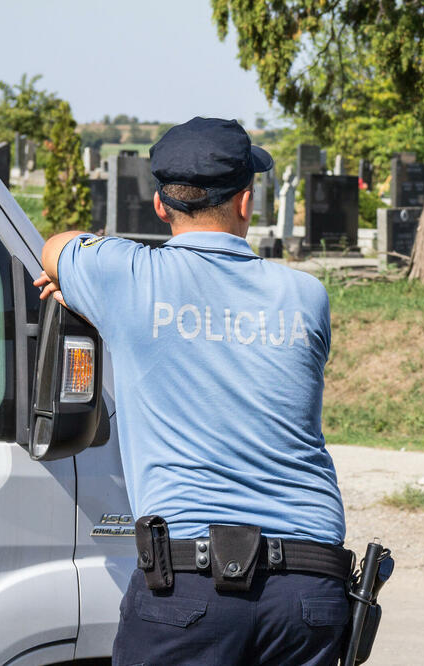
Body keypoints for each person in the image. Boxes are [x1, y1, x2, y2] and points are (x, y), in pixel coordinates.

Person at [36, 117, 350, 664]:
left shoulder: (127, 277)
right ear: (246, 202)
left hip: (189, 583)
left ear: (161, 206)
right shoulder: (306, 295)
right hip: (310, 585)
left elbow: (56, 247)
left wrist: (92, 294)